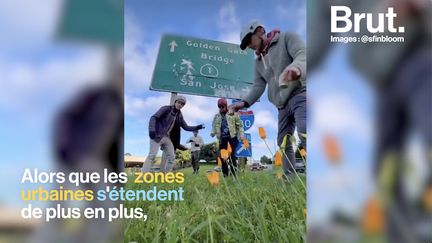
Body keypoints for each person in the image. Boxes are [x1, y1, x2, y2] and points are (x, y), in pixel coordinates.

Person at [230, 20, 306, 178]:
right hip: (281, 105)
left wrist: (295, 69)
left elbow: (303, 54)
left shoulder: (286, 38)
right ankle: (289, 179)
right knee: (282, 142)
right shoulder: (257, 63)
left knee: (305, 131)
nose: (249, 46)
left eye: (248, 41)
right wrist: (243, 103)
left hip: (300, 93)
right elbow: (258, 86)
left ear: (259, 31)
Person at [141, 95, 204, 172]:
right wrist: (152, 130)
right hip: (157, 135)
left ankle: (166, 175)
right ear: (175, 102)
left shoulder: (179, 115)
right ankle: (144, 175)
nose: (180, 105)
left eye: (182, 104)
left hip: (167, 138)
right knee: (152, 155)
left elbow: (186, 127)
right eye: (179, 102)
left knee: (171, 157)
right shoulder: (166, 109)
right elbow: (153, 117)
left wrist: (198, 126)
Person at [211, 98, 244, 177]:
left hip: (232, 138)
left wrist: (241, 134)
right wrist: (213, 132)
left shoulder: (233, 114)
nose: (221, 108)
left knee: (232, 156)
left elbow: (240, 125)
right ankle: (225, 175)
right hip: (222, 139)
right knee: (223, 158)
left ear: (226, 106)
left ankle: (234, 176)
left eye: (223, 106)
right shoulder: (217, 116)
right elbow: (214, 126)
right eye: (219, 107)